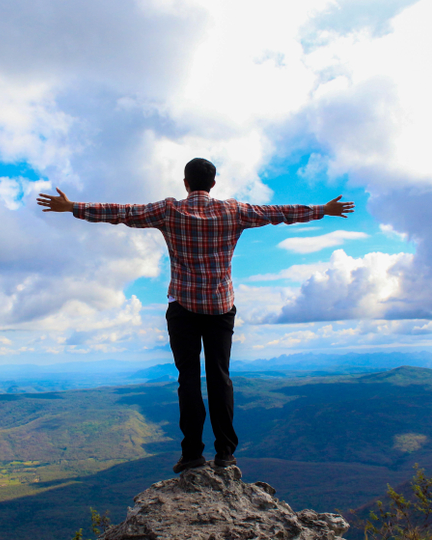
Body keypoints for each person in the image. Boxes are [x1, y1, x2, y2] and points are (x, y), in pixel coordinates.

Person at [37, 158, 354, 473]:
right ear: (213, 184)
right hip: (219, 306)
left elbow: (123, 213)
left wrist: (73, 207)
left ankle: (192, 454)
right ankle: (226, 454)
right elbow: (279, 214)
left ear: (185, 183)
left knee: (188, 378)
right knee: (220, 377)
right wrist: (323, 210)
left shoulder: (169, 210)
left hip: (183, 308)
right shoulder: (233, 210)